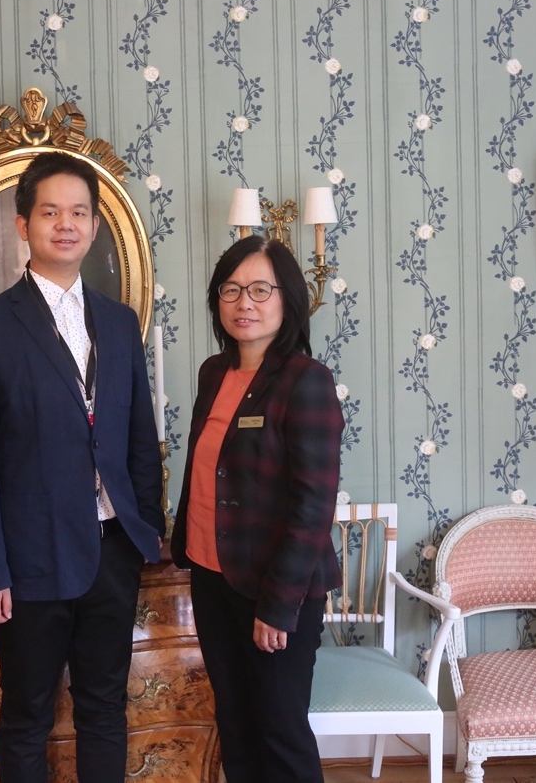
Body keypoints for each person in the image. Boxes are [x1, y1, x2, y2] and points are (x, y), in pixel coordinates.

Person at [0, 151, 165, 783]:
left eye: (78, 213)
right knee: (26, 716)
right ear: (23, 225)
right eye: (50, 213)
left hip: (112, 553)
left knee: (105, 710)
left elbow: (139, 438)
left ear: (94, 226)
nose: (65, 224)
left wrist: (146, 533)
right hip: (28, 560)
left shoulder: (120, 325)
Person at [170, 235, 343, 783]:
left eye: (260, 290)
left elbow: (313, 504)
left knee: (279, 731)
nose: (244, 302)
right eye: (231, 289)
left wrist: (278, 606)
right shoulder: (213, 373)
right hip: (212, 577)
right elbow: (208, 470)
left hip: (274, 588)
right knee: (236, 725)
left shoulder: (305, 380)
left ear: (287, 299)